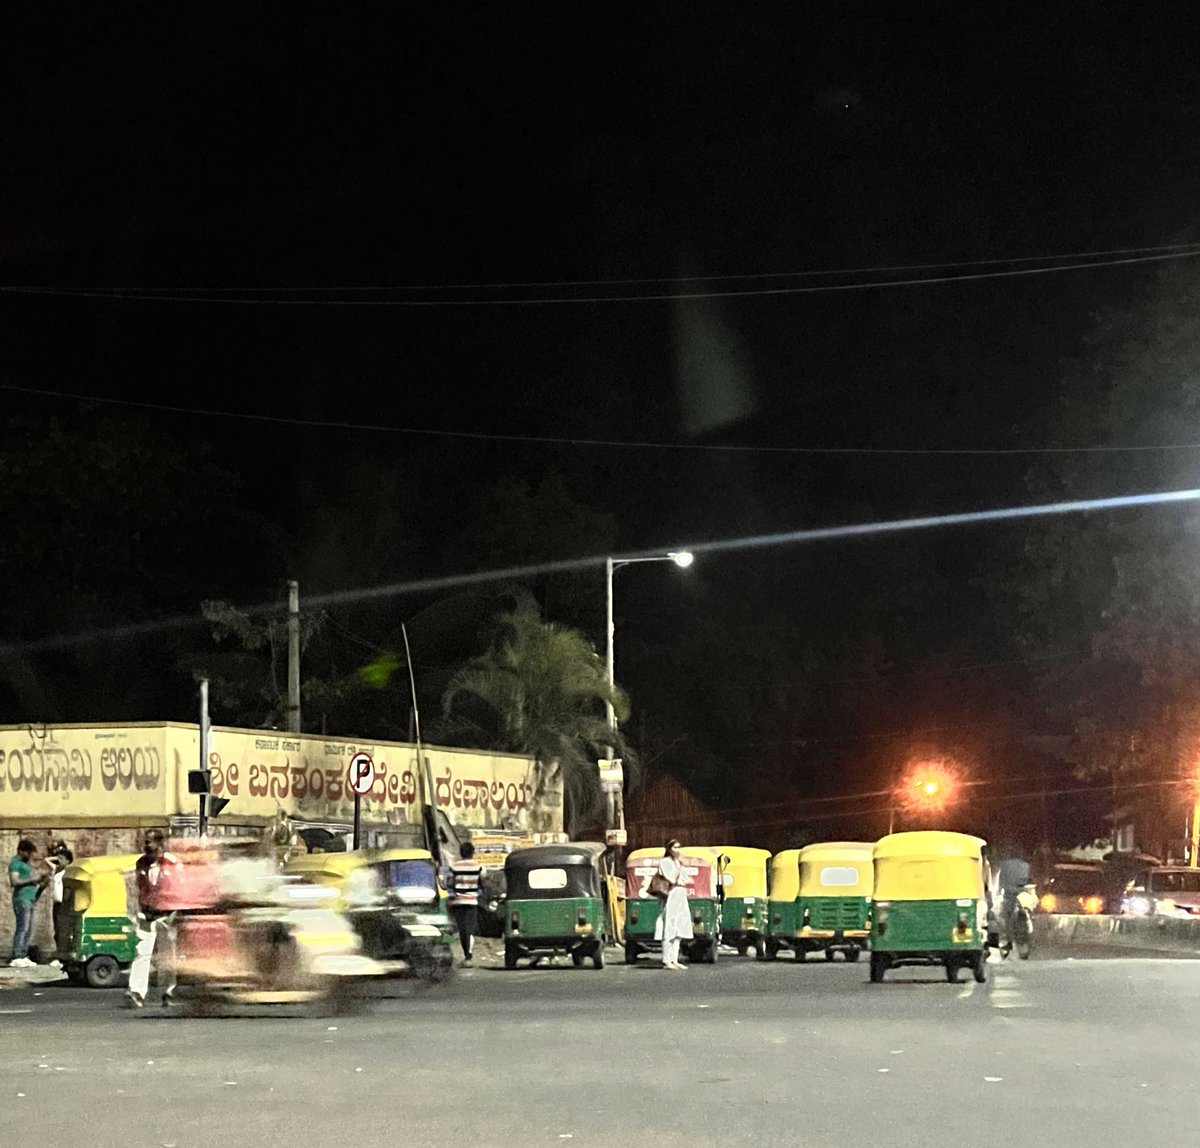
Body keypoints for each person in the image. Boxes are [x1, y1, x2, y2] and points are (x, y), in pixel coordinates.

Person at [127, 830, 181, 1008]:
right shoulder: (141, 864)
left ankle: (168, 992)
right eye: (146, 842)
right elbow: (138, 888)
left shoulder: (171, 863)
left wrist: (175, 912)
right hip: (147, 914)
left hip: (167, 915)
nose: (146, 846)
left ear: (159, 844)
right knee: (142, 952)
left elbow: (180, 889)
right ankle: (137, 991)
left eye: (149, 842)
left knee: (167, 956)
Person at [650, 838, 693, 970]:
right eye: (674, 848)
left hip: (681, 894)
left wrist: (681, 871)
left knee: (679, 927)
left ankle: (674, 959)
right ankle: (666, 960)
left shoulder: (678, 863)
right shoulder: (665, 862)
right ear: (669, 849)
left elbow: (688, 879)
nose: (677, 850)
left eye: (679, 847)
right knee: (669, 925)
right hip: (671, 894)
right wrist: (679, 872)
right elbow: (672, 878)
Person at [8, 839, 48, 967]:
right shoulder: (15, 863)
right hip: (22, 899)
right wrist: (32, 878)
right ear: (21, 851)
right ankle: (17, 955)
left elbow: (32, 882)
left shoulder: (26, 864)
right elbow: (14, 881)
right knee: (22, 927)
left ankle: (23, 954)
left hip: (31, 899)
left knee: (29, 928)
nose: (30, 855)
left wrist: (42, 883)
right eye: (28, 852)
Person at [447, 841, 483, 967]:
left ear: (461, 853)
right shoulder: (478, 866)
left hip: (458, 901)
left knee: (462, 930)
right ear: (472, 853)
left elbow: (450, 883)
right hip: (472, 901)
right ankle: (469, 955)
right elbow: (483, 880)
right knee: (470, 928)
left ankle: (466, 955)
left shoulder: (454, 866)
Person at [997, 855, 1032, 953]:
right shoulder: (1026, 865)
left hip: (1009, 895)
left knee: (1007, 919)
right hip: (1023, 894)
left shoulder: (1004, 864)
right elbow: (1028, 880)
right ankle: (1028, 934)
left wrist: (1000, 891)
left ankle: (1009, 942)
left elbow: (1001, 881)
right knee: (1028, 913)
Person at [46, 839, 75, 961]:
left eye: (62, 858)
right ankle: (59, 954)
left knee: (65, 931)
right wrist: (57, 856)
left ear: (68, 861)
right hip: (57, 904)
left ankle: (65, 955)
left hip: (65, 904)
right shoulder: (57, 870)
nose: (59, 860)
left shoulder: (70, 872)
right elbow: (46, 860)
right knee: (57, 930)